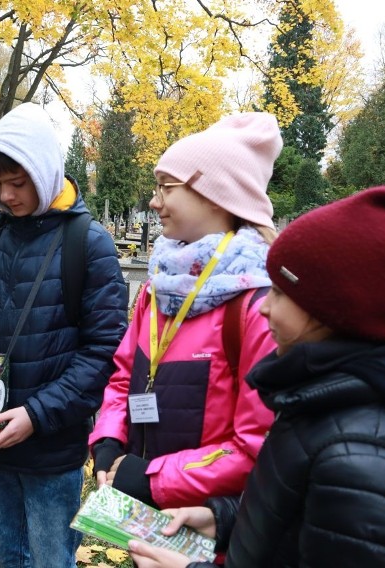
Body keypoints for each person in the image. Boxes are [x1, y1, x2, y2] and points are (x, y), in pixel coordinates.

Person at [128, 186, 385, 568]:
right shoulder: (325, 403)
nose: (263, 307)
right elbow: (306, 522)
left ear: (332, 312)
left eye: (280, 293)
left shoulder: (363, 460)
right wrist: (225, 518)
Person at [0, 102, 128, 567]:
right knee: (7, 557)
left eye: (17, 182)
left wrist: (37, 415)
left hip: (49, 446)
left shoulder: (89, 243)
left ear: (44, 173)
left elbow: (103, 352)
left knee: (49, 560)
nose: (6, 195)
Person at [90, 113, 281, 510]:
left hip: (211, 522)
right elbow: (125, 374)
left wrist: (154, 478)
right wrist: (109, 437)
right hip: (144, 505)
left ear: (215, 195)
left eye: (166, 187)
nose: (153, 200)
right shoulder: (159, 288)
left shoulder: (258, 308)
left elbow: (258, 446)